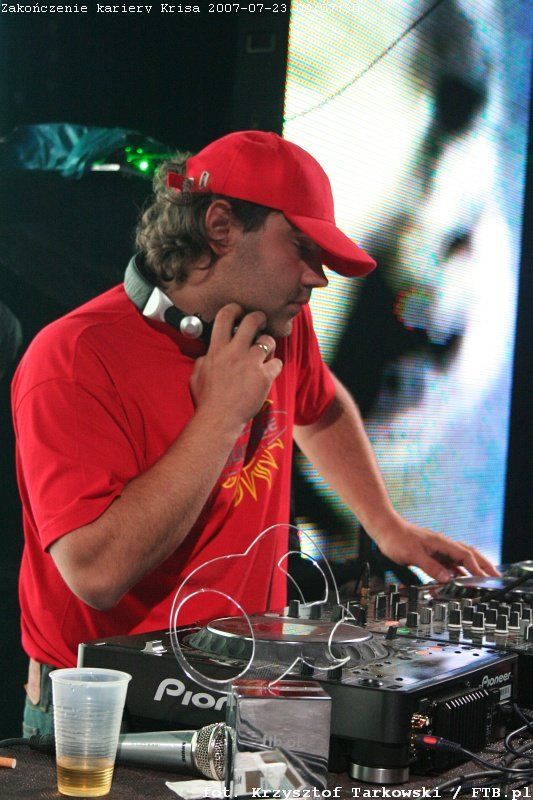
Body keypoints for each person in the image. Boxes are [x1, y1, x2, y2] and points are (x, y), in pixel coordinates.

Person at [12, 130, 497, 735]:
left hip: (253, 691)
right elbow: (97, 575)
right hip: (111, 715)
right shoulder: (74, 359)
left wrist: (386, 526)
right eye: (302, 249)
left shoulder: (278, 323)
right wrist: (220, 416)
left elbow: (322, 405)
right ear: (220, 227)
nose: (318, 278)